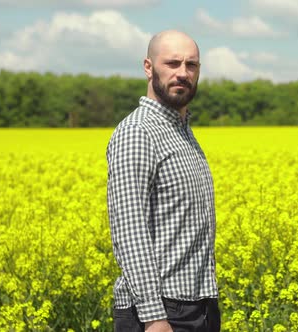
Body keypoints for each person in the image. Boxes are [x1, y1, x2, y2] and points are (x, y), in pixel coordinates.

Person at [106, 30, 220, 332]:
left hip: (199, 306)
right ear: (148, 67)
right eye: (172, 63)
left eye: (191, 65)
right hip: (160, 313)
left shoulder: (181, 131)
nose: (183, 73)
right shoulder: (138, 132)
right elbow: (130, 230)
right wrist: (154, 317)